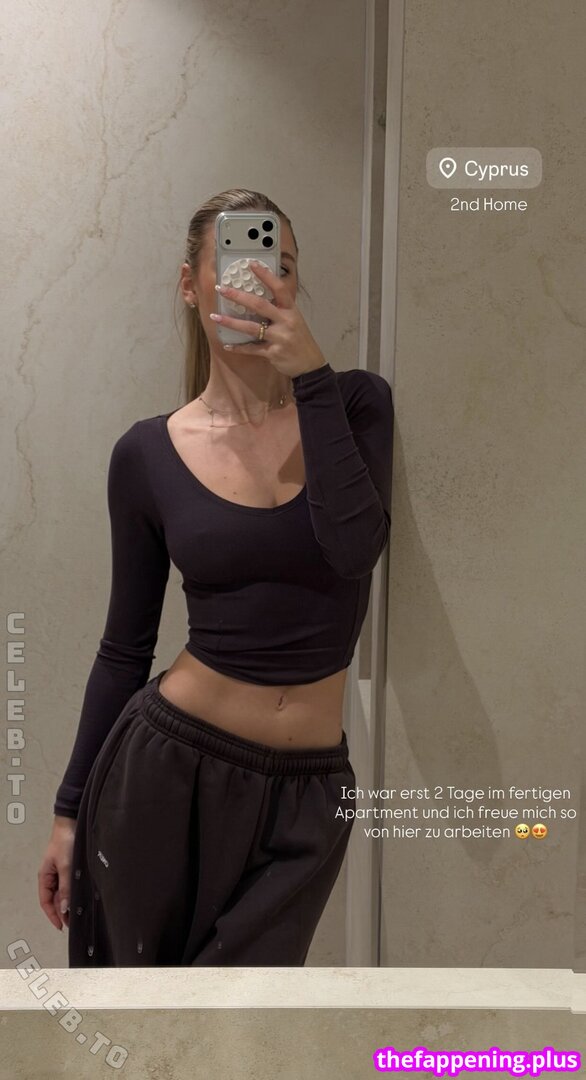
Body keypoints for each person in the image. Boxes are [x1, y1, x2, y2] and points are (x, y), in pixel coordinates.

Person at [37, 188, 394, 966]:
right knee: (141, 1019)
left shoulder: (354, 404)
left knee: (246, 1023)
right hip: (166, 771)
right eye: (240, 263)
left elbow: (354, 550)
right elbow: (123, 648)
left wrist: (311, 378)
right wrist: (68, 813)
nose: (262, 281)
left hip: (310, 790)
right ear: (190, 285)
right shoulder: (146, 454)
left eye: (282, 267)